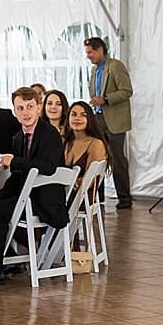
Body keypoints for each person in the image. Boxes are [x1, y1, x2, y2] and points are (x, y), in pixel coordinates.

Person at [0, 87, 68, 290]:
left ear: (39, 108)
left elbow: (47, 167)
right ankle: (6, 261)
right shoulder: (18, 137)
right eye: (20, 108)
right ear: (14, 112)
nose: (26, 112)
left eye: (30, 107)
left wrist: (15, 161)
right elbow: (16, 179)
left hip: (45, 201)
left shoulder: (49, 134)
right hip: (28, 197)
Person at [85, 37, 133, 209]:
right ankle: (99, 197)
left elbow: (127, 91)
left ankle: (125, 198)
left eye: (90, 52)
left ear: (100, 50)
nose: (88, 56)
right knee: (98, 158)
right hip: (97, 119)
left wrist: (105, 99)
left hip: (114, 121)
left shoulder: (115, 66)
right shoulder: (94, 70)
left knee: (117, 160)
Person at [63, 101, 110, 191]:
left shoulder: (96, 143)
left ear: (90, 119)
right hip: (64, 194)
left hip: (80, 199)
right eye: (73, 114)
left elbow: (89, 180)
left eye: (83, 115)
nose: (77, 118)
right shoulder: (67, 142)